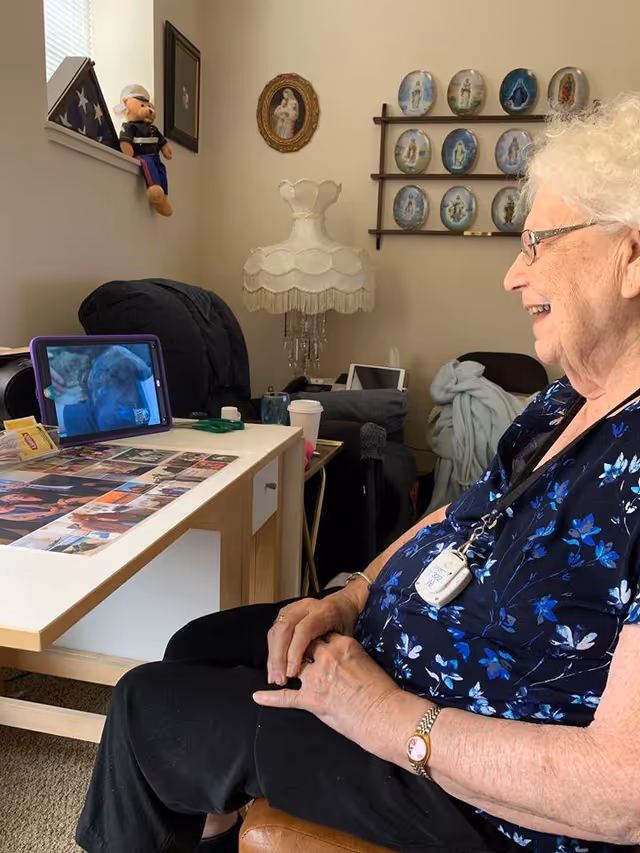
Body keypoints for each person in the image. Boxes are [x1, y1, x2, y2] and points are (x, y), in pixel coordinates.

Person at [76, 96, 640, 853]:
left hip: (469, 786)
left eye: (537, 243)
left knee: (147, 704)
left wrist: (382, 714)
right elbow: (456, 519)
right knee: (196, 643)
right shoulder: (566, 400)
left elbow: (621, 793)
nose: (514, 274)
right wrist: (351, 595)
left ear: (631, 256)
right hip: (396, 663)